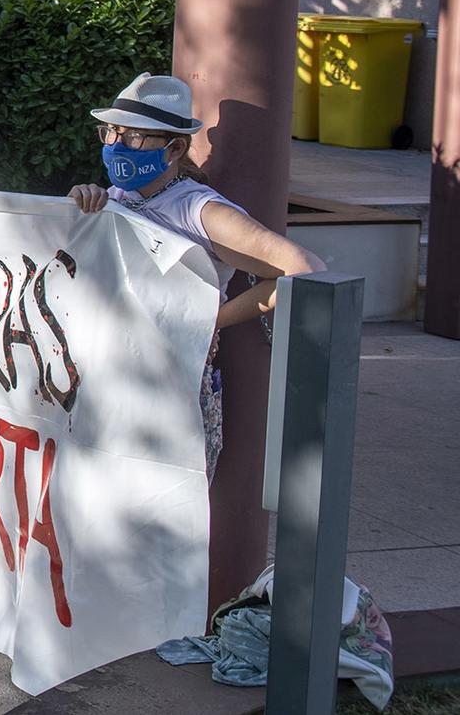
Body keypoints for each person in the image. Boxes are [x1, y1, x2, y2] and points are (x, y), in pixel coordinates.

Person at [69, 72, 325, 478]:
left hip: (172, 391)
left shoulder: (199, 210)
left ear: (174, 149)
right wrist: (76, 211)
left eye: (134, 136)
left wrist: (209, 321)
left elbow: (305, 270)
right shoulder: (117, 196)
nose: (117, 145)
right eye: (111, 132)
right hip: (110, 385)